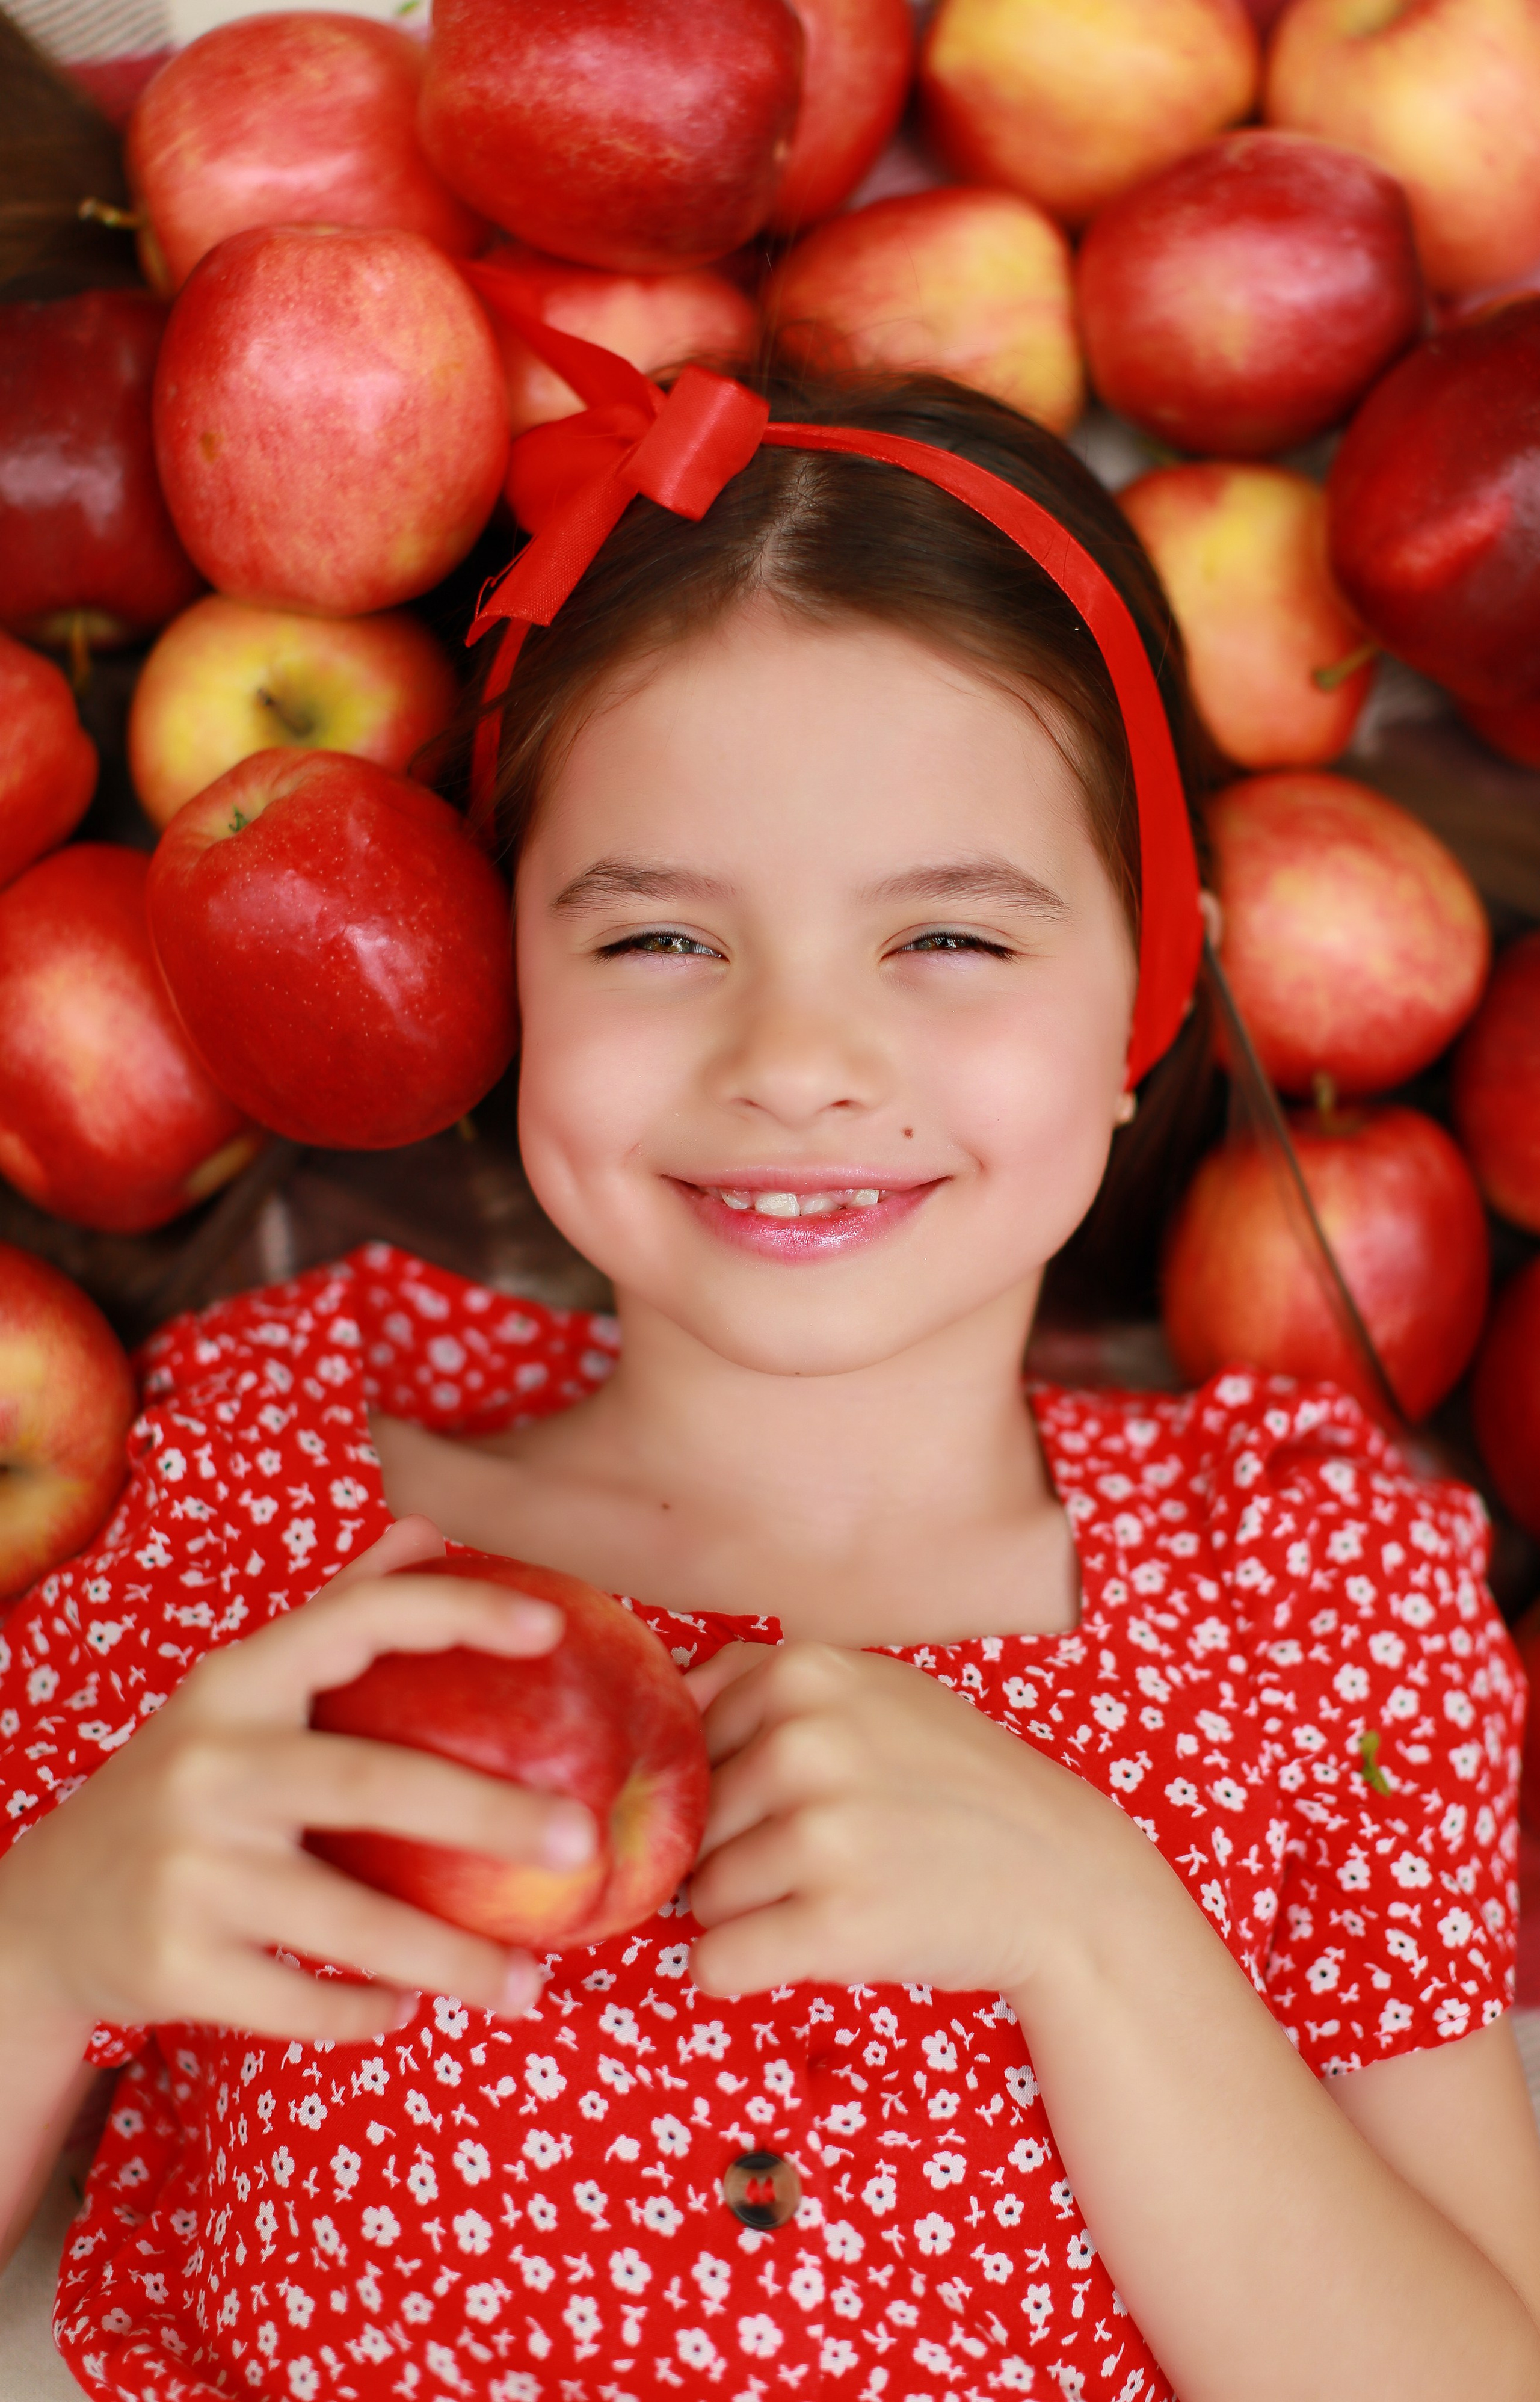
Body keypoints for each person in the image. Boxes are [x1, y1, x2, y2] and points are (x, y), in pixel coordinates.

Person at [1, 337, 1538, 2402]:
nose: (797, 1058)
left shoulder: (1314, 1602)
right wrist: (42, 1941)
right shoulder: (273, 1492)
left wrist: (1102, 1933)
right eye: (657, 941)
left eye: (952, 941)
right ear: (506, 972)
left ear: (1149, 990)